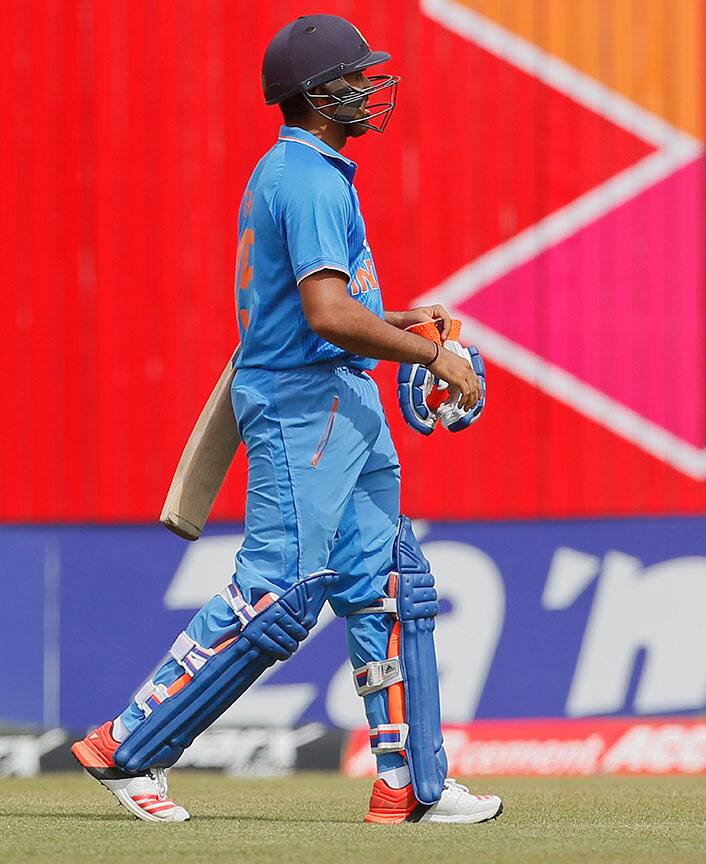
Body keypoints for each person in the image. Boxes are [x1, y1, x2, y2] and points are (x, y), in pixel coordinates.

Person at [72, 13, 502, 825]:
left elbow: (344, 308)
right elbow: (327, 313)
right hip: (306, 404)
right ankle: (128, 745)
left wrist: (406, 319)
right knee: (277, 594)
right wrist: (430, 356)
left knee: (385, 586)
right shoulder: (302, 178)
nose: (371, 91)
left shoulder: (317, 173)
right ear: (317, 93)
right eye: (356, 79)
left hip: (342, 397)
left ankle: (412, 782)